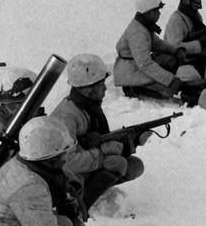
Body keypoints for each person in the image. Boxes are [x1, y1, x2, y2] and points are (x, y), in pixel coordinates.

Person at [52, 54, 146, 209]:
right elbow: (68, 161)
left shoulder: (88, 106)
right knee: (118, 164)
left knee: (134, 166)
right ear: (89, 89)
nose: (105, 88)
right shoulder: (67, 116)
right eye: (101, 84)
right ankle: (80, 204)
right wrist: (102, 153)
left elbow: (96, 138)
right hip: (65, 177)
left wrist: (133, 139)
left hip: (78, 166)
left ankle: (97, 192)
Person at [113, 0, 185, 100]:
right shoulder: (138, 33)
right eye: (156, 11)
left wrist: (175, 51)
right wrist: (170, 80)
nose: (159, 14)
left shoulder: (144, 26)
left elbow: (157, 44)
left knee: (170, 60)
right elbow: (145, 64)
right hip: (131, 74)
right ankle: (136, 88)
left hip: (135, 66)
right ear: (148, 12)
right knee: (169, 90)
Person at [164, 0, 206, 76]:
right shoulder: (176, 20)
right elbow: (174, 46)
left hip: (193, 58)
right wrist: (200, 44)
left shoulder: (194, 15)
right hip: (181, 64)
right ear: (187, 0)